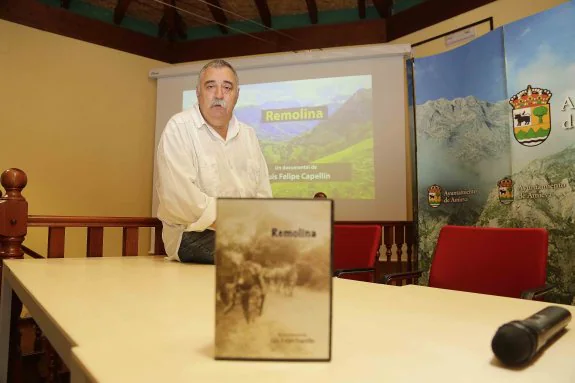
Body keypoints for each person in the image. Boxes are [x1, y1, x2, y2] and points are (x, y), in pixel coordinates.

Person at [155, 59, 272, 264]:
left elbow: (263, 195)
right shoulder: (179, 128)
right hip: (191, 235)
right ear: (198, 92)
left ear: (237, 95)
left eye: (227, 87)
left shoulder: (248, 135)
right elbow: (180, 200)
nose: (219, 95)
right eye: (211, 87)